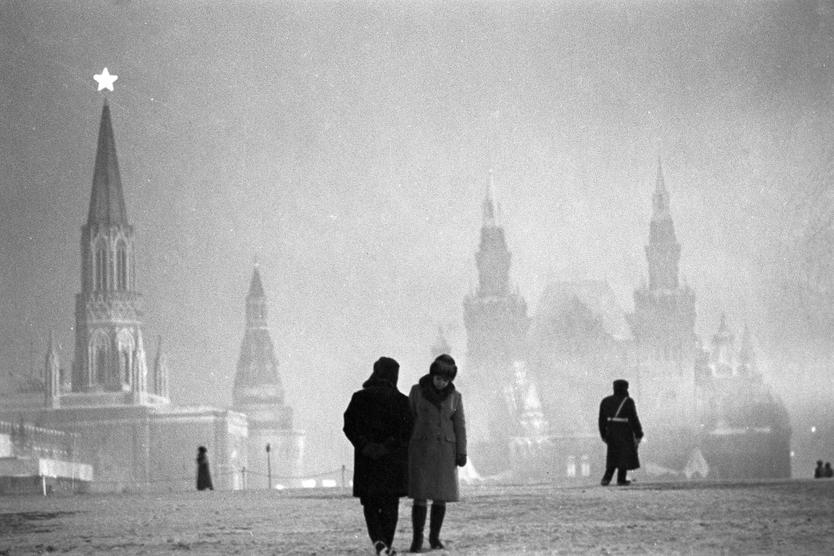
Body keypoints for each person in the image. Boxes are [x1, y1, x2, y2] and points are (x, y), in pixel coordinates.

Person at [343, 357, 413, 556]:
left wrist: (365, 445)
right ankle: (386, 544)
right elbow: (408, 431)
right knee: (391, 505)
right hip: (393, 462)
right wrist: (388, 446)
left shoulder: (359, 398)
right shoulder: (402, 401)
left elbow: (349, 426)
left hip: (367, 462)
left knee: (371, 505)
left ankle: (379, 543)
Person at [407, 354, 467, 553]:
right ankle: (417, 539)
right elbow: (409, 419)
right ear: (432, 375)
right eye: (439, 378)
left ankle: (434, 537)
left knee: (440, 496)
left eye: (446, 380)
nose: (442, 383)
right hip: (421, 449)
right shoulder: (417, 392)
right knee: (420, 496)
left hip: (444, 452)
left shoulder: (455, 397)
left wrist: (461, 452)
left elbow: (459, 426)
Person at [598, 379, 643, 486]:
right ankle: (621, 479)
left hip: (611, 430)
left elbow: (601, 419)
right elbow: (633, 418)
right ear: (625, 388)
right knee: (624, 454)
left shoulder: (606, 401)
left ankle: (606, 478)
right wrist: (638, 433)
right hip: (624, 430)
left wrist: (603, 434)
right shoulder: (628, 401)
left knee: (612, 454)